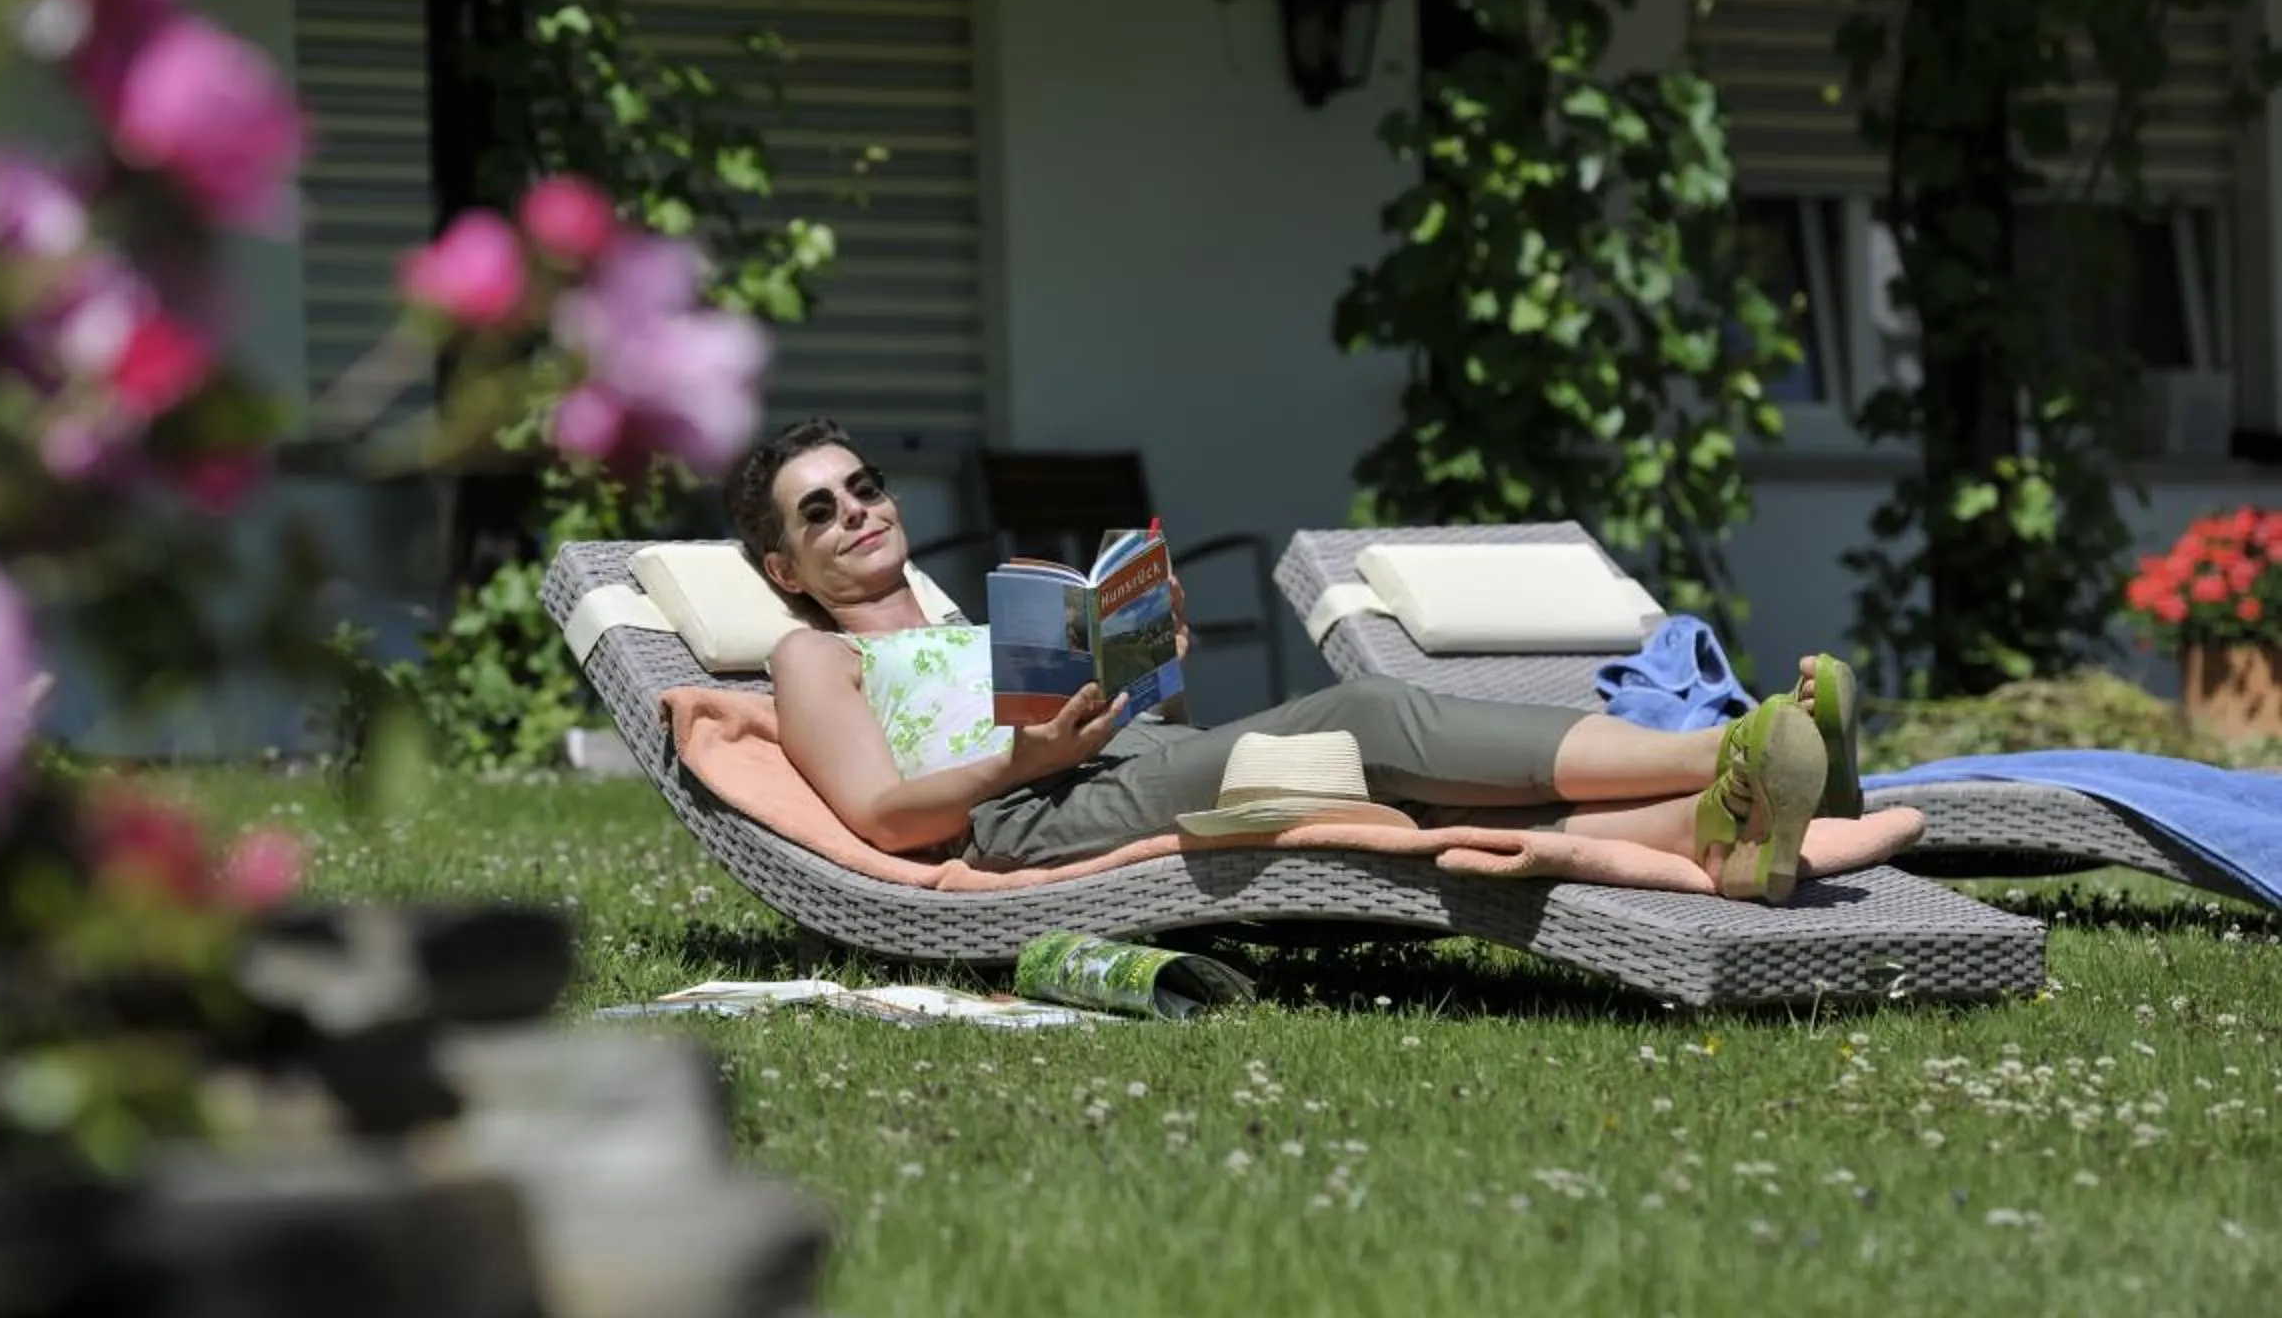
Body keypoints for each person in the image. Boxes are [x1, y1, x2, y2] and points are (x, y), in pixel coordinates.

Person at [723, 417, 1864, 903]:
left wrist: (1136, 668)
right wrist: (1019, 763)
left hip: (1094, 773)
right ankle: (1726, 740)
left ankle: (1723, 824)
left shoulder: (962, 624)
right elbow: (879, 815)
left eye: (864, 486)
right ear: (785, 565)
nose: (859, 513)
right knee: (1360, 719)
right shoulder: (810, 658)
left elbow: (1107, 743)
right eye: (819, 512)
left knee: (1374, 795)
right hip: (1018, 822)